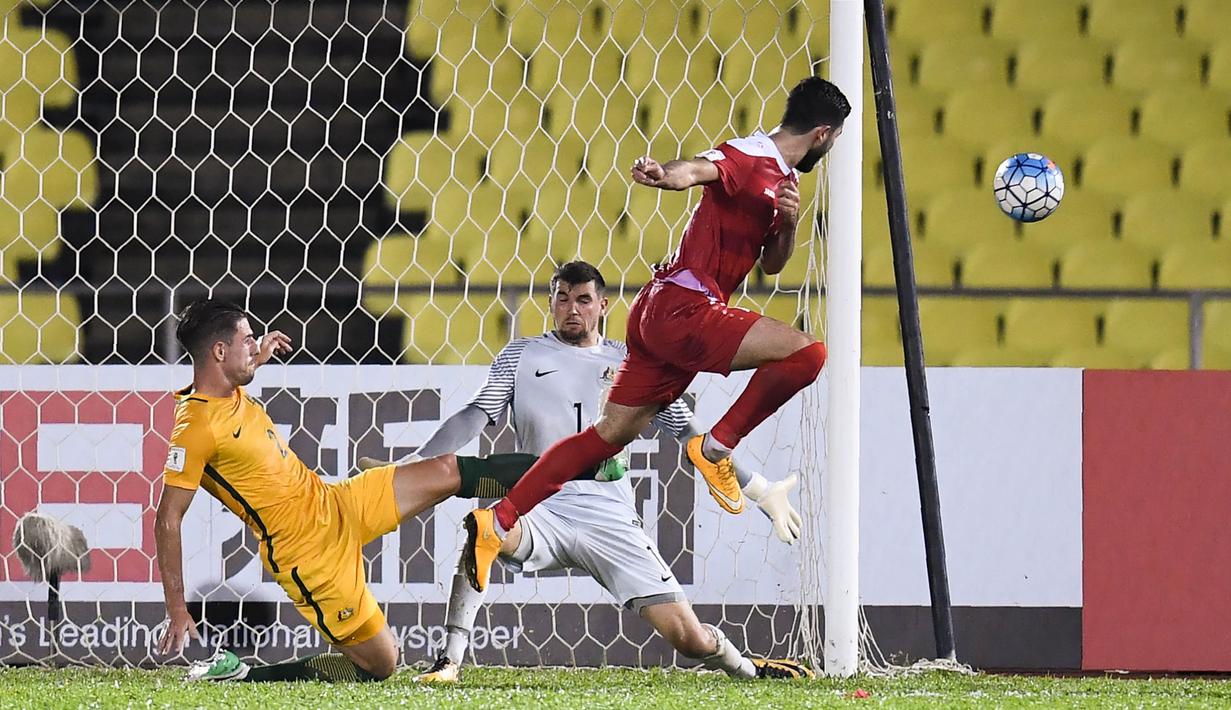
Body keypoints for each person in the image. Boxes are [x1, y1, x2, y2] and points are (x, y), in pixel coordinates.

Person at [461, 77, 850, 595]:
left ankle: (501, 519)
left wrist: (787, 223)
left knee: (606, 437)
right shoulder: (750, 154)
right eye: (836, 139)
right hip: (683, 308)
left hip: (658, 311)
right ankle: (714, 449)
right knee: (809, 354)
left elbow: (773, 265)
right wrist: (664, 173)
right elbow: (697, 170)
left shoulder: (779, 181)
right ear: (823, 133)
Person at [361, 261, 808, 682]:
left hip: (609, 514)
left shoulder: (634, 364)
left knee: (690, 640)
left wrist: (756, 487)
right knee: (484, 531)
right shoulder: (522, 355)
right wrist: (412, 464)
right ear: (551, 302)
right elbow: (474, 415)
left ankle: (748, 669)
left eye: (582, 300)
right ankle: (448, 662)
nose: (571, 309)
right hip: (540, 504)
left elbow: (693, 437)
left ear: (603, 305)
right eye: (561, 299)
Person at [153, 299, 622, 682]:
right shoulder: (195, 427)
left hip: (335, 501)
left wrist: (255, 358)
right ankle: (243, 677)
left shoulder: (229, 388)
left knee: (446, 470)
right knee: (382, 663)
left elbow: (229, 375)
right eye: (247, 339)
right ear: (218, 353)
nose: (256, 345)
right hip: (307, 553)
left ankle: (587, 464)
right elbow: (168, 517)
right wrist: (178, 610)